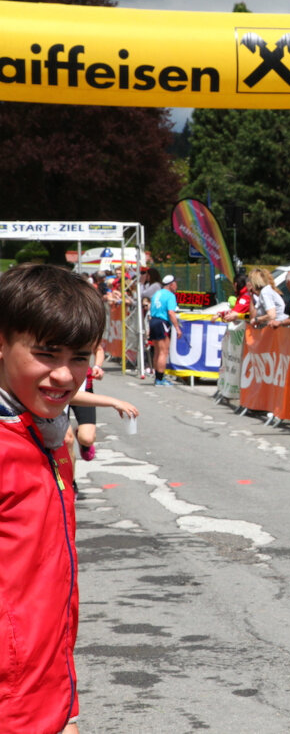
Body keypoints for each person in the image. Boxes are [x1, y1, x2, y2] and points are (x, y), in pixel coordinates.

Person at [0, 263, 106, 734]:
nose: (64, 374)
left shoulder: (44, 433)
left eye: (79, 357)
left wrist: (65, 706)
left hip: (43, 692)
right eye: (45, 353)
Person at [149, 273, 185, 387]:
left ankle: (157, 377)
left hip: (153, 321)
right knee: (163, 352)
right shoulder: (170, 296)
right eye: (175, 283)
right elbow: (171, 312)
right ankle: (160, 379)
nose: (177, 286)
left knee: (157, 351)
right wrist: (177, 328)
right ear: (171, 284)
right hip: (162, 322)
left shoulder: (157, 294)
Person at [73, 344, 106, 461]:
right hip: (58, 388)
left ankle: (81, 437)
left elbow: (98, 349)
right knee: (66, 439)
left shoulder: (88, 332)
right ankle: (68, 474)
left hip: (83, 388)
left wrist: (97, 367)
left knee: (87, 438)